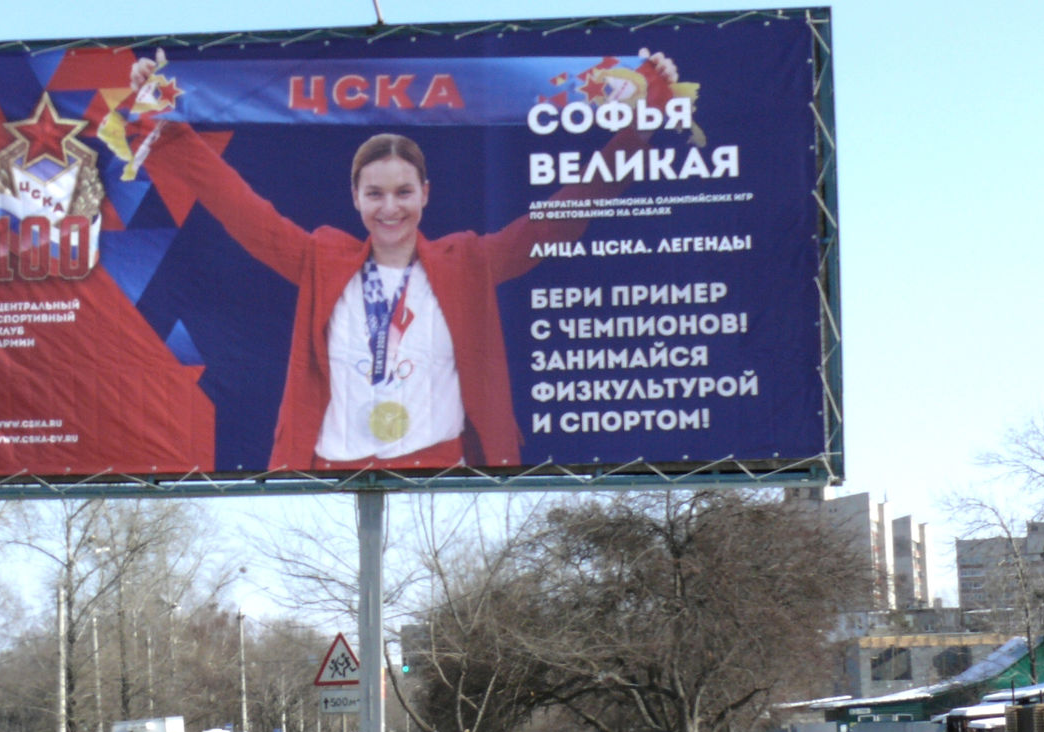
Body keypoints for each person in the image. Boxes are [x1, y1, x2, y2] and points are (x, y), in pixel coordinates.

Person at [131, 49, 680, 471]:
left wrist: (637, 131)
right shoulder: (321, 257)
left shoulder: (466, 260)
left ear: (425, 194)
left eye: (403, 192)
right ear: (355, 199)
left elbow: (556, 221)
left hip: (439, 470)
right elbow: (242, 210)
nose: (389, 208)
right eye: (375, 194)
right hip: (329, 470)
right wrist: (172, 134)